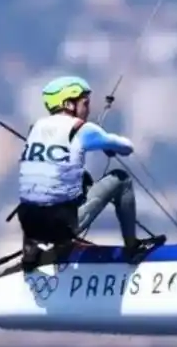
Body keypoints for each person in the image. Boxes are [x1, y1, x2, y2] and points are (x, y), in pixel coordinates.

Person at [17, 75, 163, 266]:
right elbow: (126, 147)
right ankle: (132, 248)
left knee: (55, 183)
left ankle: (31, 251)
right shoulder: (82, 129)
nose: (88, 109)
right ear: (69, 104)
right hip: (60, 226)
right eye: (85, 103)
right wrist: (107, 145)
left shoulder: (35, 128)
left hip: (29, 224)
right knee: (121, 179)